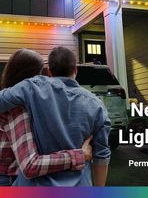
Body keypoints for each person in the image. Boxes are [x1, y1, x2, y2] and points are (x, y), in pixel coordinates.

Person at [0, 46, 111, 186]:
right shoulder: (97, 105)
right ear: (75, 70)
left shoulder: (30, 89)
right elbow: (101, 155)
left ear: (49, 72)